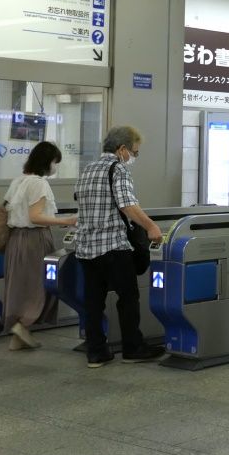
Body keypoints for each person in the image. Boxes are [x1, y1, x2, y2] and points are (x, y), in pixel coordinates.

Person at [73, 126, 164, 367]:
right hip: (113, 245)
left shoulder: (87, 169)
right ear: (121, 149)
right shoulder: (118, 168)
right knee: (128, 298)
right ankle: (133, 348)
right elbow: (127, 205)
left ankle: (96, 352)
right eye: (134, 152)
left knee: (94, 300)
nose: (133, 156)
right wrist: (151, 226)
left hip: (86, 247)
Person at [0, 142, 76, 351]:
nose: (56, 167)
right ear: (47, 162)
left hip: (15, 240)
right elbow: (36, 217)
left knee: (20, 286)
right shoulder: (39, 184)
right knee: (38, 287)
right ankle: (21, 326)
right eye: (55, 162)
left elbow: (8, 209)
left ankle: (19, 334)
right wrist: (67, 221)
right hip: (35, 240)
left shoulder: (18, 181)